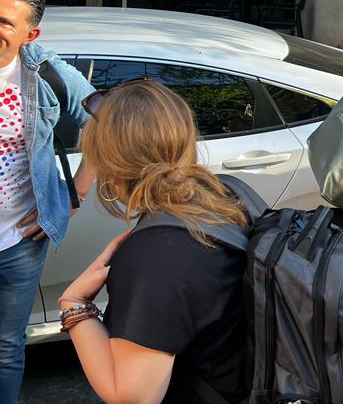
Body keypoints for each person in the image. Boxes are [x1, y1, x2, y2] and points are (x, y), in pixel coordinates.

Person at [60, 80, 248, 404]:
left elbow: (131, 396)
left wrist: (73, 302)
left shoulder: (156, 257)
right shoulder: (224, 192)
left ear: (108, 162)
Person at [0, 0, 95, 404]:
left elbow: (107, 124)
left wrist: (73, 196)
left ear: (28, 33)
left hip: (18, 243)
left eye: (3, 22)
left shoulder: (46, 74)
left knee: (5, 348)